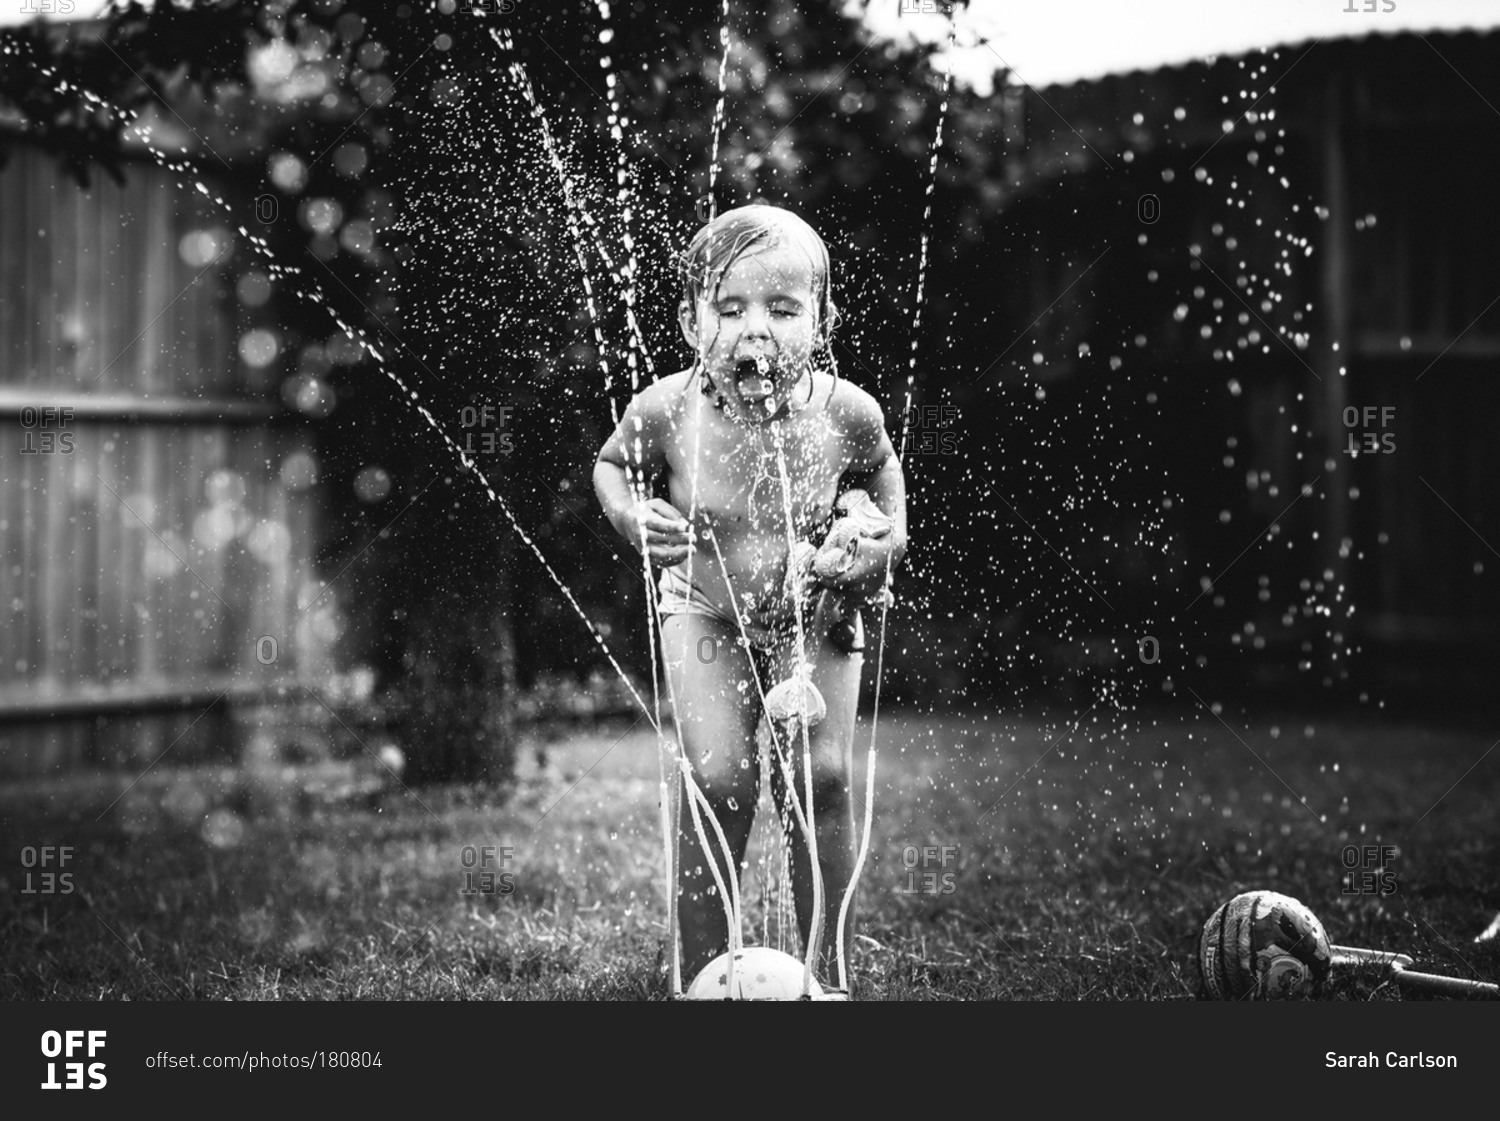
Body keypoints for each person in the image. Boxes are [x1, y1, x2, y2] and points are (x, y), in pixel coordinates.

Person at [592, 204, 907, 990]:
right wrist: (634, 516)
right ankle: (701, 974)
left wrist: (882, 541)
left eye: (783, 308)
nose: (753, 330)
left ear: (823, 319)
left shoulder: (848, 412)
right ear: (690, 321)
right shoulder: (667, 409)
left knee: (818, 777)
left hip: (822, 609)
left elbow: (885, 480)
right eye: (728, 309)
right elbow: (607, 465)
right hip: (704, 610)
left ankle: (826, 975)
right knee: (719, 775)